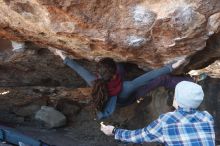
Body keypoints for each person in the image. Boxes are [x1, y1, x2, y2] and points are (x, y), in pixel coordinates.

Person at [52, 48, 186, 120]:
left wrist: (61, 55)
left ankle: (121, 65)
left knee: (121, 65)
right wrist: (172, 66)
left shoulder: (95, 82)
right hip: (129, 97)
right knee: (162, 79)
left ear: (98, 73)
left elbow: (79, 69)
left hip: (117, 95)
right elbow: (148, 77)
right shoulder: (128, 86)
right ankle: (188, 83)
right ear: (114, 75)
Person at [100, 81, 215, 145]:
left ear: (177, 99)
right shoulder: (207, 118)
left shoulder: (167, 121)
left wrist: (114, 131)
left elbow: (140, 136)